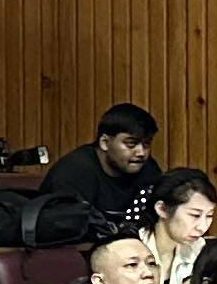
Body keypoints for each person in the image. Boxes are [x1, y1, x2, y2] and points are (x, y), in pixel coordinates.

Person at [43, 105, 167, 244]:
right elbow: (62, 228)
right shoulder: (73, 171)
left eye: (146, 144)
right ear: (105, 143)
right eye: (131, 144)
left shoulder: (148, 169)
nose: (141, 152)